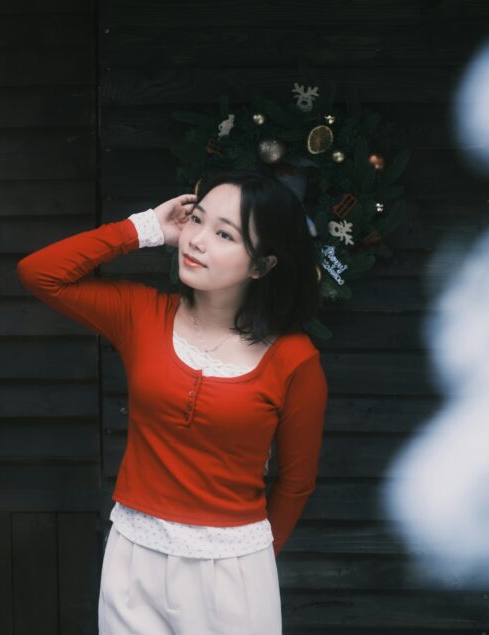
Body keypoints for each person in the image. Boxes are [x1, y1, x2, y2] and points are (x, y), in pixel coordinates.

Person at [17, 169, 329, 634]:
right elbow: (41, 274)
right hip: (134, 553)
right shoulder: (142, 314)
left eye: (224, 234)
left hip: (233, 570)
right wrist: (144, 228)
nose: (197, 240)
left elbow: (297, 482)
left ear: (262, 266)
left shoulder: (294, 359)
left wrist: (255, 558)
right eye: (197, 221)